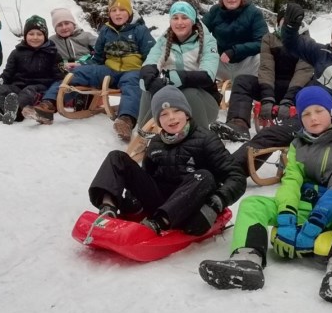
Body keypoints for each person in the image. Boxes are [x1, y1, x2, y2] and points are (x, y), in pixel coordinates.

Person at [198, 86, 332, 302]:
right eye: (306, 114)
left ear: (331, 112)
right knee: (253, 204)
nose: (313, 118)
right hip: (304, 206)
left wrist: (318, 220)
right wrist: (287, 215)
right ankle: (246, 262)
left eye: (319, 111)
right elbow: (291, 180)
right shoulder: (297, 145)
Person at [222, 4, 332, 174]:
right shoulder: (322, 53)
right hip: (311, 117)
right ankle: (230, 171)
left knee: (320, 159)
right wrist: (290, 26)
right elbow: (292, 44)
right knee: (269, 135)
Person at [88, 85, 246, 236]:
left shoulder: (206, 139)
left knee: (204, 175)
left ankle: (159, 222)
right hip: (160, 201)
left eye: (177, 111)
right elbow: (145, 176)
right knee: (117, 157)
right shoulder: (156, 142)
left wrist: (214, 205)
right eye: (164, 114)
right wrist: (133, 199)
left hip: (190, 205)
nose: (171, 118)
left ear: (187, 113)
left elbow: (237, 177)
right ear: (158, 120)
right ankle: (108, 208)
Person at [24, 0, 155, 142]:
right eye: (113, 10)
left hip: (133, 71)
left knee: (132, 85)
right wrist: (83, 66)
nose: (117, 13)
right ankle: (48, 105)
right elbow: (98, 57)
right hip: (108, 70)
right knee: (77, 73)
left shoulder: (140, 30)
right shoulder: (106, 31)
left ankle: (126, 120)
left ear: (129, 12)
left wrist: (147, 71)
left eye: (122, 10)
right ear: (109, 13)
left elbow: (152, 55)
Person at [210, 9, 314, 141]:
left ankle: (303, 127)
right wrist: (267, 97)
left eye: (291, 22)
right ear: (278, 23)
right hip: (271, 86)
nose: (287, 25)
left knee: (315, 87)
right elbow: (266, 68)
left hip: (297, 90)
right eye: (284, 21)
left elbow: (303, 72)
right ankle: (238, 124)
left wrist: (289, 100)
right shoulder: (269, 39)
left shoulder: (307, 43)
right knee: (242, 81)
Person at [138, 1, 221, 130]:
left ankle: (201, 137)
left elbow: (208, 75)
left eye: (184, 17)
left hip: (204, 103)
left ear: (193, 20)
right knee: (150, 87)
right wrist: (148, 76)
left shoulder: (207, 41)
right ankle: (143, 134)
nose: (179, 22)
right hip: (173, 100)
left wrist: (178, 78)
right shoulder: (164, 41)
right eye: (175, 18)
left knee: (189, 92)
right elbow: (151, 60)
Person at [0, 15, 62, 125]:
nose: (35, 37)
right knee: (3, 90)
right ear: (25, 36)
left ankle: (15, 113)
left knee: (27, 93)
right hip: (18, 84)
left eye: (39, 34)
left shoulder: (52, 54)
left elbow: (59, 77)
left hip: (40, 87)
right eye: (31, 34)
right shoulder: (17, 53)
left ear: (45, 36)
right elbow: (7, 73)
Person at [201, 0, 268, 82]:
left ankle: (262, 91)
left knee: (265, 57)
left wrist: (235, 51)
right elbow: (199, 32)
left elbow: (263, 42)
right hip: (220, 63)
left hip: (247, 65)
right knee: (195, 53)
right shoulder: (214, 12)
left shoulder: (254, 13)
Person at [48, 7, 96, 72]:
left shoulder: (86, 36)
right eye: (59, 25)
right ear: (55, 28)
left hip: (87, 69)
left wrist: (85, 62)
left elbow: (100, 51)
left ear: (73, 24)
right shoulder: (51, 41)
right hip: (63, 74)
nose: (64, 27)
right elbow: (46, 61)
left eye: (67, 23)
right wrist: (61, 66)